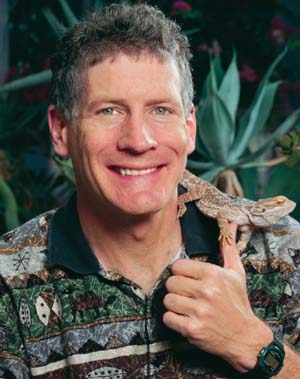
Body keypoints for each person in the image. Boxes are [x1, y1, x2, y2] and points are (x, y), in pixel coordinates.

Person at [0, 3, 300, 378]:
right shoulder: (7, 284)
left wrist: (252, 343)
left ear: (190, 127)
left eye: (161, 110)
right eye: (109, 111)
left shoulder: (283, 250)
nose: (139, 141)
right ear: (61, 129)